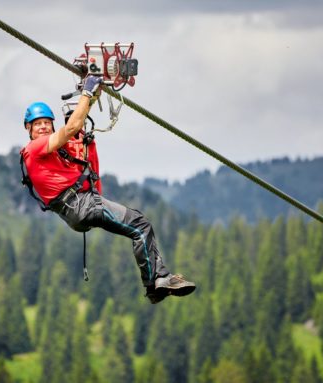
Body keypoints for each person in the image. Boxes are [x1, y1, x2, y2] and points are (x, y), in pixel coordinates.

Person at [20, 75, 196, 304]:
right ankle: (158, 280)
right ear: (29, 129)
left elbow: (76, 131)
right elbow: (71, 127)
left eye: (46, 123)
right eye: (37, 124)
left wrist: (91, 97)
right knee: (140, 225)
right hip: (81, 205)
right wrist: (86, 92)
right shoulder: (35, 148)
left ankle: (155, 287)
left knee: (138, 227)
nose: (43, 127)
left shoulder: (52, 153)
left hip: (77, 210)